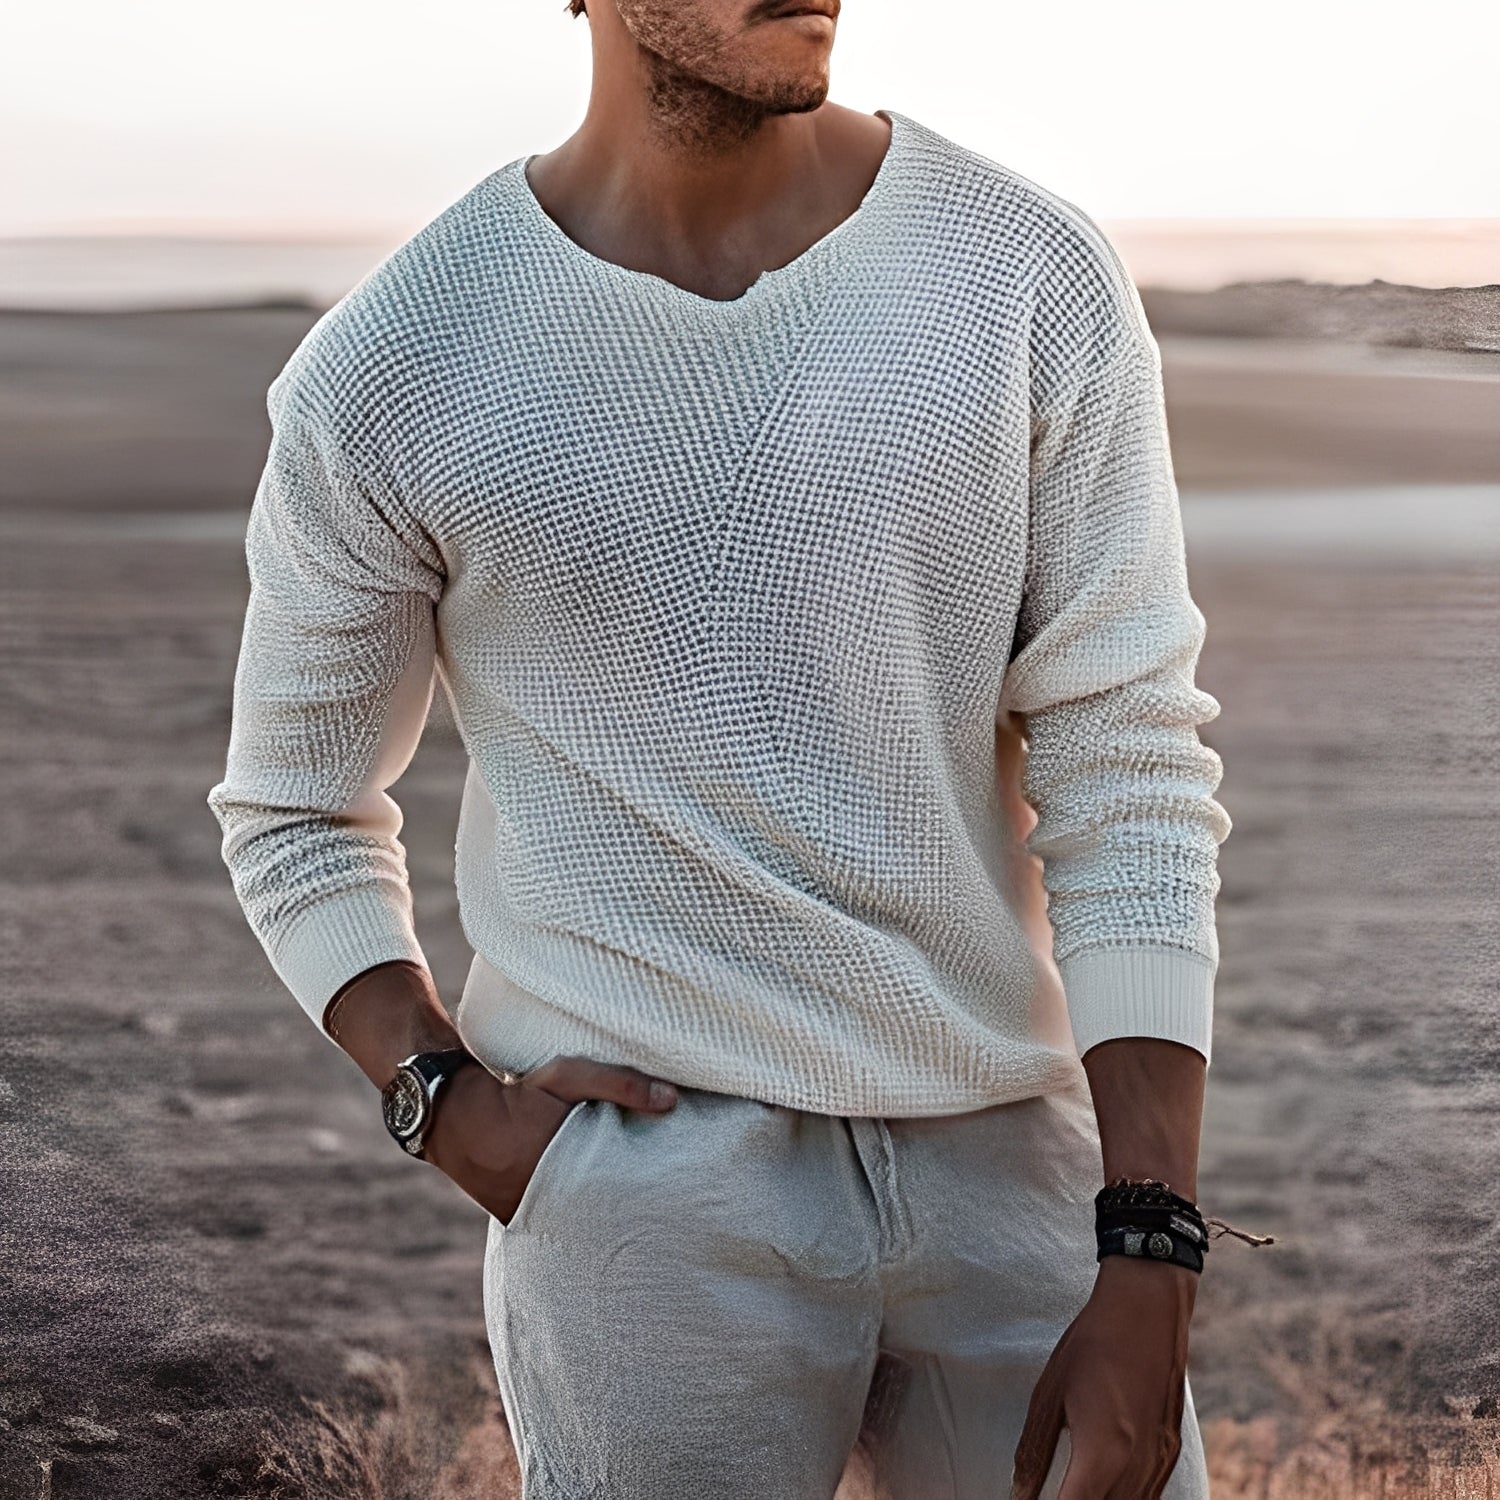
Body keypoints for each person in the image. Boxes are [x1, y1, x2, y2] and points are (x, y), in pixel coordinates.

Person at [207, 0, 1235, 1495]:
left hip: (1019, 1163)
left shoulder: (1025, 271)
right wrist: (449, 1107)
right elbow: (297, 809)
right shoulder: (393, 364)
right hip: (645, 1201)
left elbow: (1127, 756)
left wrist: (1152, 1238)